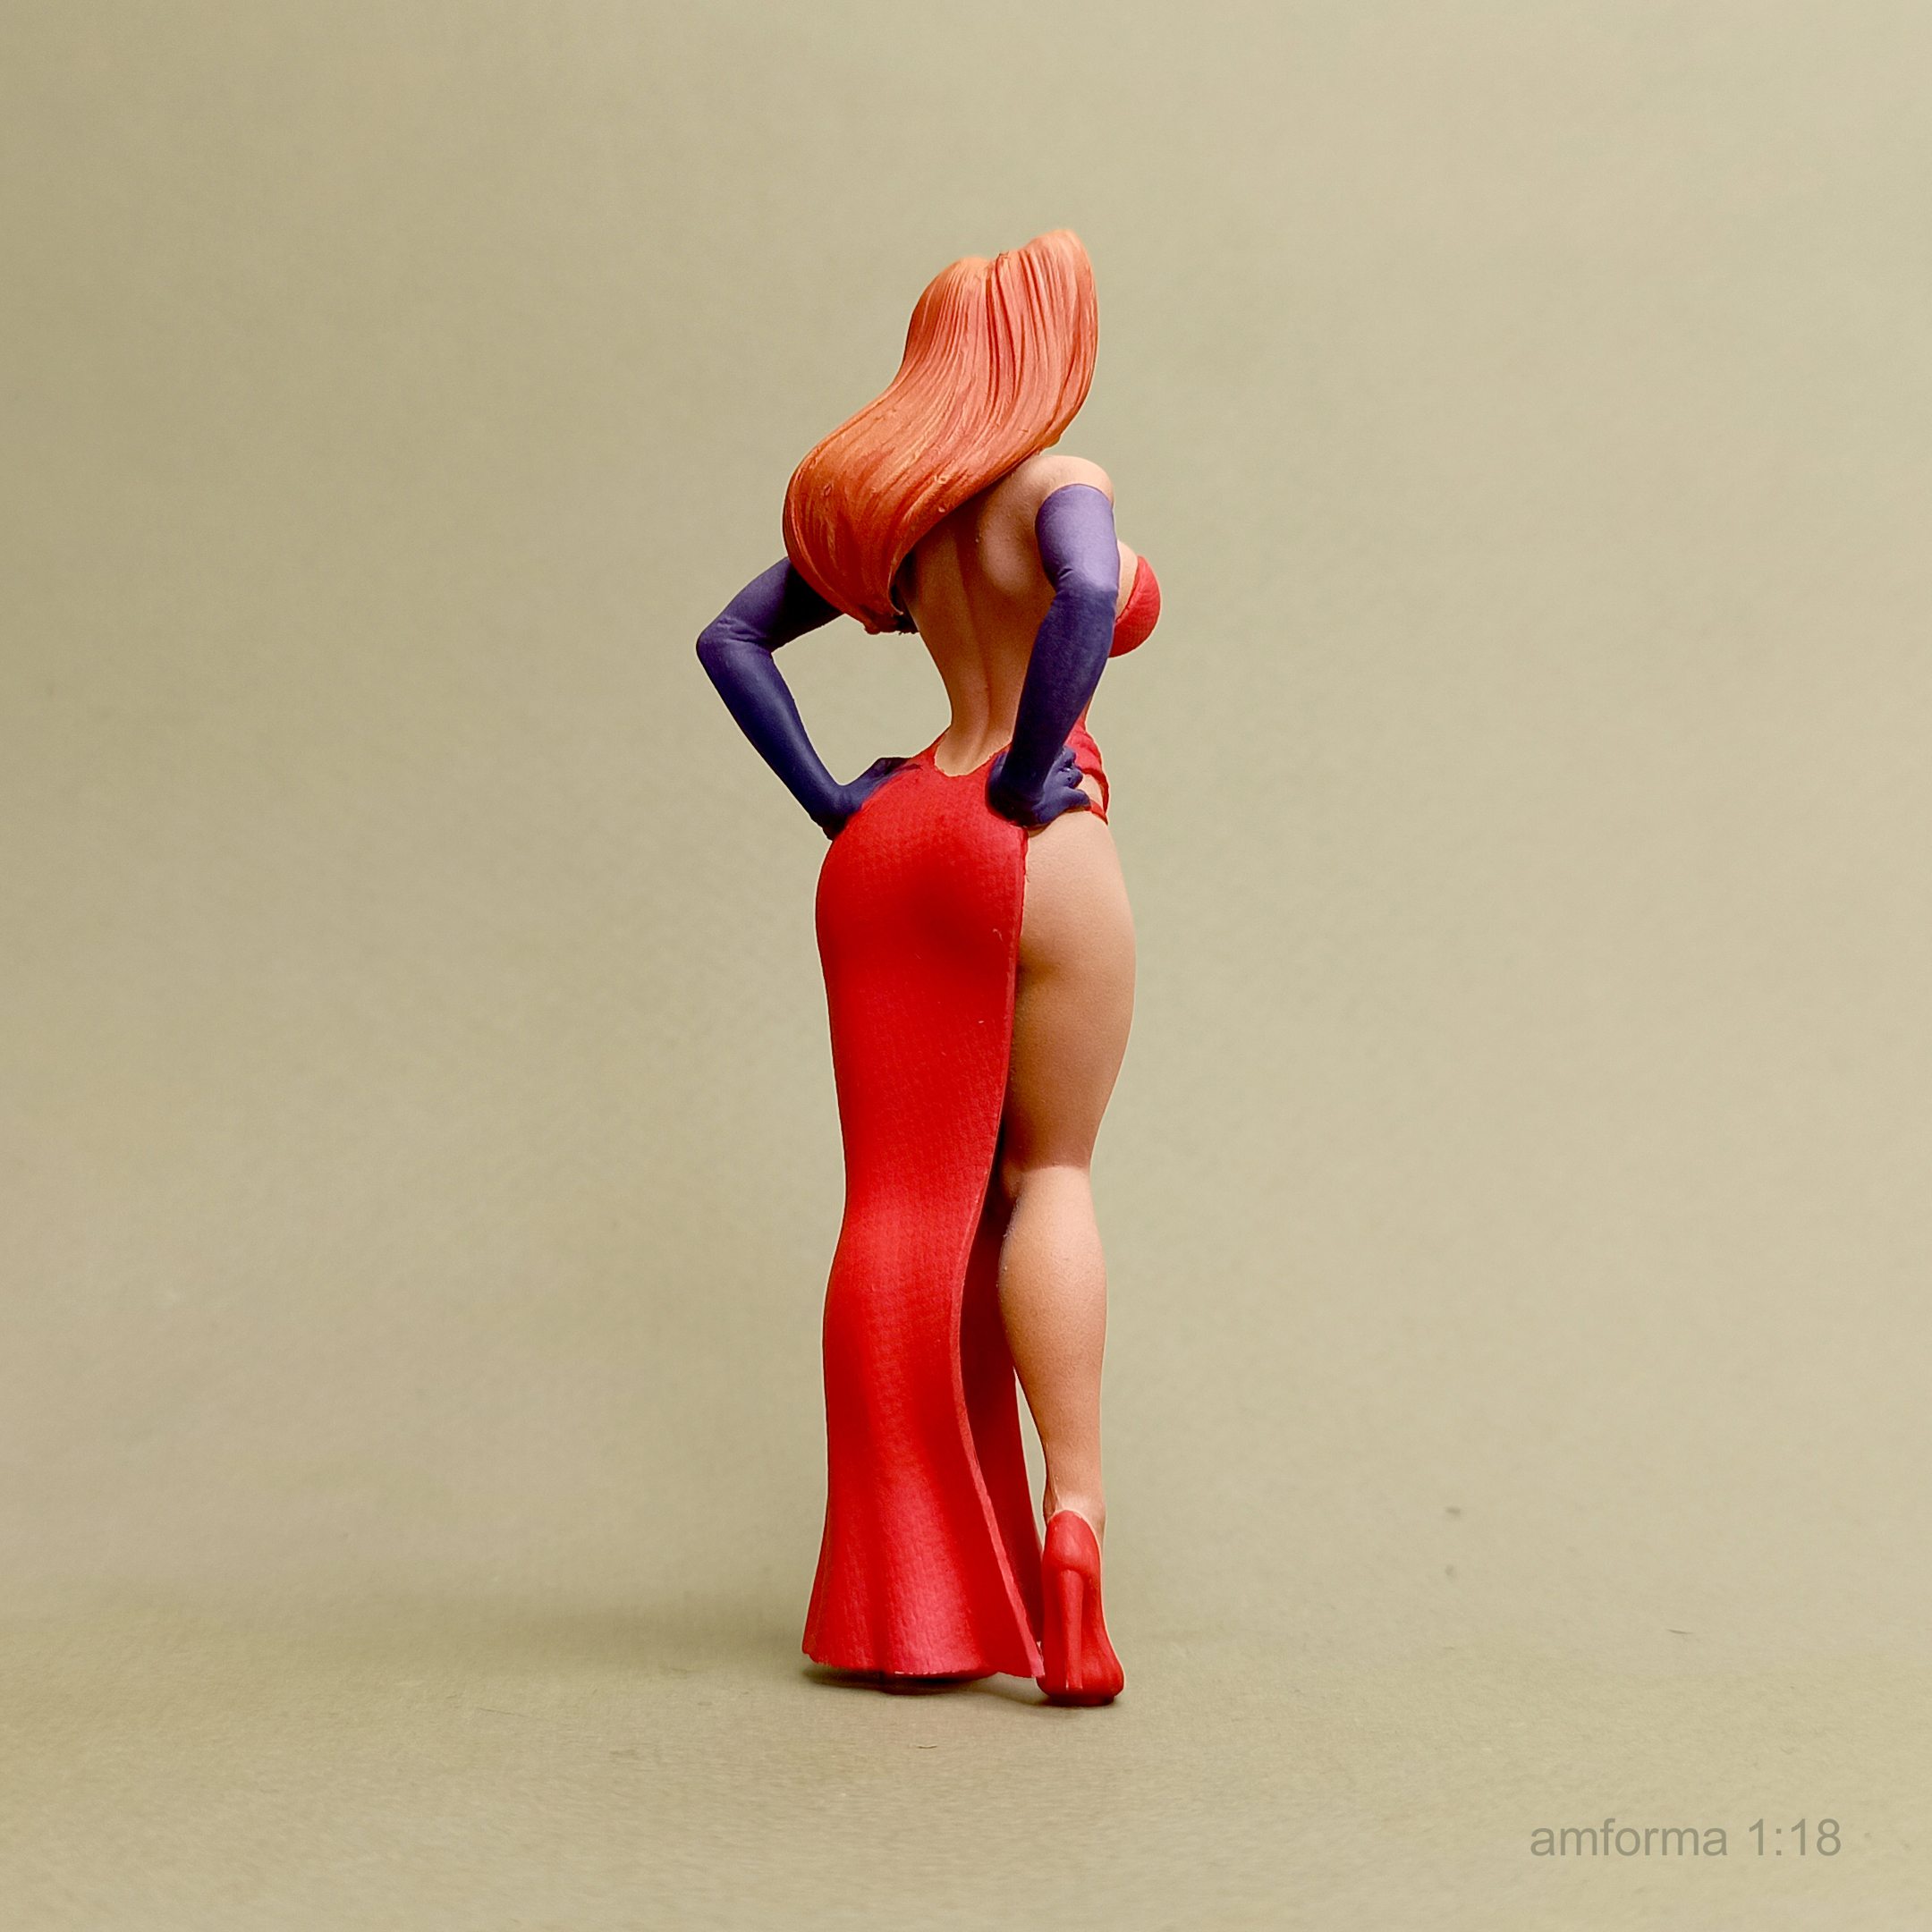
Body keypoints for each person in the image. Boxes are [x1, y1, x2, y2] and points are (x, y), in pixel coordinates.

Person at [697, 231, 1159, 1705]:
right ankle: (1072, 1531)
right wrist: (1030, 767)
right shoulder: (1059, 481)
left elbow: (732, 639)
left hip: (896, 840)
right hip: (1033, 835)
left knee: (896, 1209)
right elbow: (1082, 597)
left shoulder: (890, 506)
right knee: (1050, 1175)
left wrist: (834, 797)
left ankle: (905, 1592)